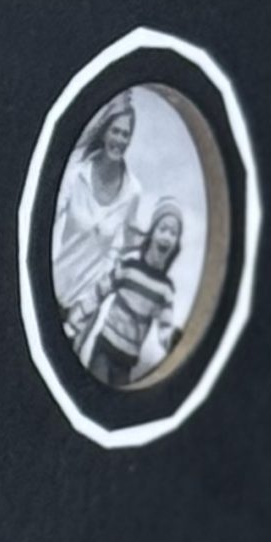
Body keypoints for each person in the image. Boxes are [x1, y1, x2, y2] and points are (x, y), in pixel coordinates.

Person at [54, 95, 146, 344]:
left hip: (84, 306)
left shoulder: (133, 192)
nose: (120, 140)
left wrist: (91, 302)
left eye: (126, 134)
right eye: (115, 131)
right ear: (105, 132)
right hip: (53, 284)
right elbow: (49, 223)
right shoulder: (77, 174)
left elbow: (121, 248)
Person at [78, 204, 185, 387]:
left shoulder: (165, 289)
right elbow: (99, 292)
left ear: (176, 244)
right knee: (95, 390)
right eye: (162, 229)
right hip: (105, 348)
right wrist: (76, 321)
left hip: (127, 362)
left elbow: (165, 329)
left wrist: (174, 342)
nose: (167, 236)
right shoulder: (129, 266)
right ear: (152, 233)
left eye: (173, 233)